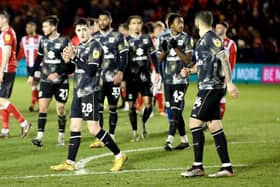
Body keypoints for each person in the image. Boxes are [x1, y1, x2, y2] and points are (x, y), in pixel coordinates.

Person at [50, 18, 127, 172]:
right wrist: (66, 61)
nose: (82, 33)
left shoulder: (95, 46)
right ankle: (70, 162)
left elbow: (91, 69)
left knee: (93, 129)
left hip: (90, 91)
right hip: (78, 91)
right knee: (74, 127)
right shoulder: (78, 46)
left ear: (90, 29)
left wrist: (74, 58)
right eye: (79, 30)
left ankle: (119, 155)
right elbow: (73, 69)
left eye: (85, 29)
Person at [180, 11, 240, 178]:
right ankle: (227, 167)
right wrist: (189, 71)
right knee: (214, 125)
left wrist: (229, 83)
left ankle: (197, 166)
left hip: (211, 87)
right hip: (207, 86)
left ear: (198, 22)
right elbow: (203, 65)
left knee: (194, 123)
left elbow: (224, 59)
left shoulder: (211, 38)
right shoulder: (202, 41)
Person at [28, 15, 70, 147]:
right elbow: (39, 59)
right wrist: (31, 75)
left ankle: (61, 137)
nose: (43, 28)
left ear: (53, 27)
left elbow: (68, 63)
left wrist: (58, 73)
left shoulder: (64, 40)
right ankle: (39, 137)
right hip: (46, 80)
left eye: (45, 26)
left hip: (61, 81)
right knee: (42, 107)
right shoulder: (43, 41)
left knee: (61, 109)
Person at [89, 11, 128, 148]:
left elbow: (124, 56)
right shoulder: (94, 37)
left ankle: (111, 134)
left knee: (112, 106)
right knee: (98, 107)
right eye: (100, 20)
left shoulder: (118, 36)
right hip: (98, 79)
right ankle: (100, 137)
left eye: (105, 20)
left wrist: (121, 72)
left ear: (110, 20)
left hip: (113, 78)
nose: (102, 22)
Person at [158, 13, 192, 151]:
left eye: (182, 22)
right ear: (171, 25)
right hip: (167, 80)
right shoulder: (163, 37)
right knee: (174, 110)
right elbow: (158, 59)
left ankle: (169, 140)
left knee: (176, 108)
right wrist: (166, 50)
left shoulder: (186, 38)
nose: (181, 25)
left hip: (181, 80)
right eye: (179, 22)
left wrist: (176, 48)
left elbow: (188, 61)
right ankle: (184, 141)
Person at [124, 15, 159, 141]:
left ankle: (143, 123)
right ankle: (134, 132)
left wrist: (158, 72)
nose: (136, 25)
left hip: (145, 77)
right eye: (133, 23)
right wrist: (123, 78)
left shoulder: (147, 39)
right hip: (131, 79)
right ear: (129, 26)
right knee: (132, 106)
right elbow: (123, 61)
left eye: (139, 23)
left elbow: (154, 56)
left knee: (149, 105)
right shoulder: (125, 40)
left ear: (142, 24)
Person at [0, 10, 31, 138]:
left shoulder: (7, 34)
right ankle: (5, 130)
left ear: (4, 19)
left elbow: (7, 52)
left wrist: (1, 71)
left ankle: (24, 123)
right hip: (6, 68)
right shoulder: (6, 33)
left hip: (7, 69)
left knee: (1, 100)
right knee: (2, 101)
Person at [17, 21, 42, 112]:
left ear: (34, 28)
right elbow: (21, 52)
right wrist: (17, 61)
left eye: (30, 27)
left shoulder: (40, 38)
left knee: (36, 82)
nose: (28, 29)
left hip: (39, 65)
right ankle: (37, 103)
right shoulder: (24, 39)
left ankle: (34, 103)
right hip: (29, 66)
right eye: (27, 28)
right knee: (34, 85)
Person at [215, 21, 237, 119]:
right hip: (212, 73)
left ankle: (219, 119)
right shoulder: (213, 42)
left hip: (223, 74)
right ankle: (211, 118)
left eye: (220, 27)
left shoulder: (231, 43)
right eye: (216, 27)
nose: (217, 29)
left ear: (225, 29)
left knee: (221, 97)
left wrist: (228, 77)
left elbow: (232, 62)